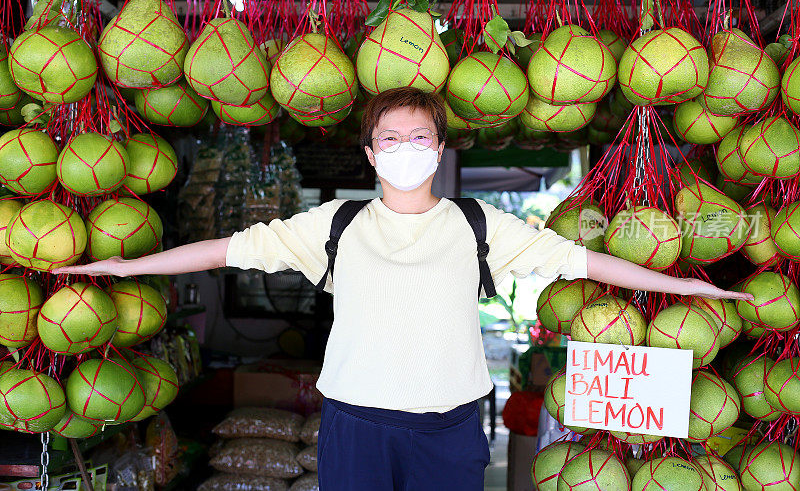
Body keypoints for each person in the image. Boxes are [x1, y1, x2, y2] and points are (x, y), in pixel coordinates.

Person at [55, 87, 752, 491]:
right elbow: (230, 248)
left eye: (420, 135)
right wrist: (125, 269)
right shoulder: (338, 224)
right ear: (369, 151)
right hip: (356, 425)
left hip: (448, 431)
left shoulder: (481, 224)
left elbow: (585, 263)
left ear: (440, 149)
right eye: (391, 136)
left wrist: (683, 281)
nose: (406, 145)